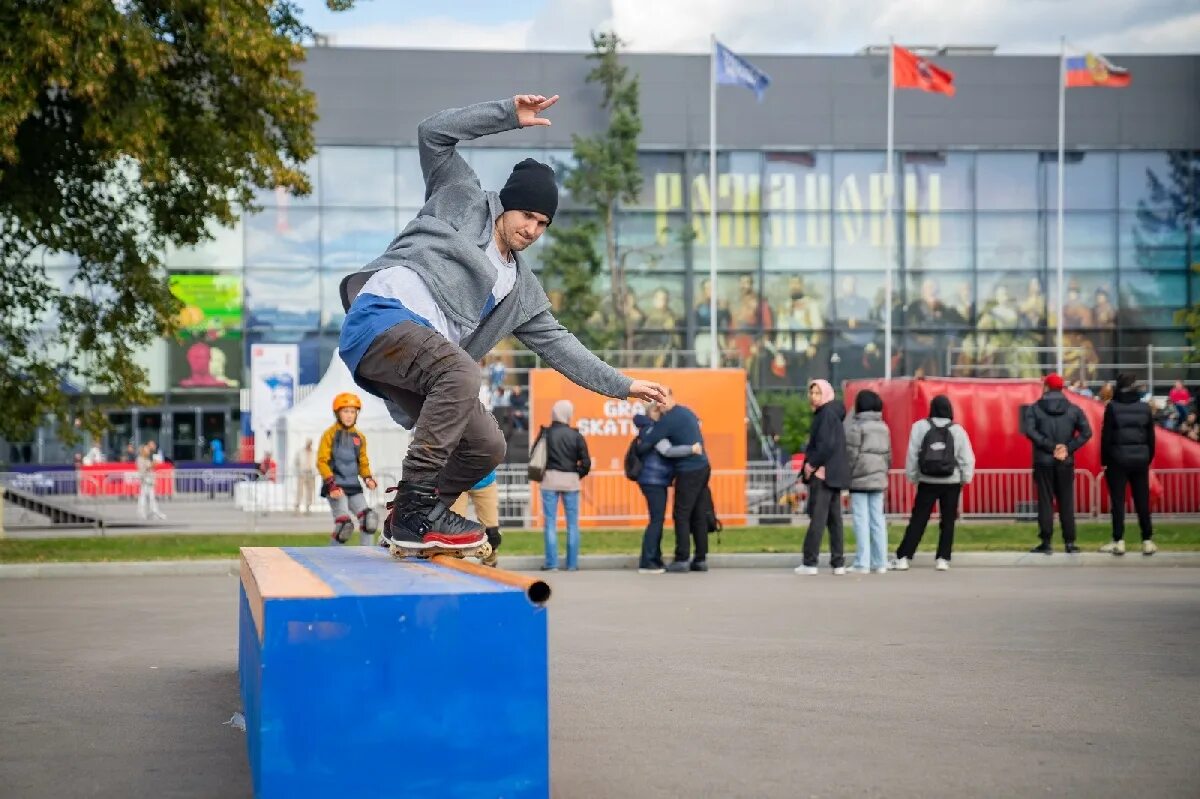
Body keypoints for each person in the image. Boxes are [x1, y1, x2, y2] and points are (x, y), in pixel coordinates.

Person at [337, 93, 666, 554]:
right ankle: (413, 512)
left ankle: (416, 519)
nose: (532, 230)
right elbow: (433, 133)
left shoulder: (520, 290)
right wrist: (507, 116)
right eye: (527, 216)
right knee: (462, 372)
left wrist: (624, 385)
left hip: (419, 356)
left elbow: (560, 345)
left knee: (486, 445)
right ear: (506, 205)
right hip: (381, 318)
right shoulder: (460, 197)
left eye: (543, 223)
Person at [892, 395, 975, 571]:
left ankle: (904, 557)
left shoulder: (919, 427)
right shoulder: (957, 430)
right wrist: (965, 478)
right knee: (948, 521)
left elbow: (912, 455)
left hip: (927, 480)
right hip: (951, 481)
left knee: (918, 520)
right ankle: (943, 558)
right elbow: (966, 458)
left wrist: (913, 477)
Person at [635, 388, 711, 572]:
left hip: (688, 470)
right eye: (656, 401)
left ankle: (682, 558)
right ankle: (700, 559)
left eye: (661, 400)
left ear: (670, 398)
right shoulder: (687, 412)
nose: (659, 405)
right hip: (703, 467)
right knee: (699, 514)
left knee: (681, 514)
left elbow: (649, 439)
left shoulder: (667, 421)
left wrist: (644, 427)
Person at [1022, 373, 1093, 555]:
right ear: (1062, 388)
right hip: (1065, 462)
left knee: (1045, 502)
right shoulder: (1073, 409)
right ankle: (1069, 542)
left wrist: (1050, 446)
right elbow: (1087, 432)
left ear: (1046, 387)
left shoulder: (1035, 409)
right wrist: (1067, 448)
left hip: (1043, 461)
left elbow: (1029, 430)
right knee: (1066, 501)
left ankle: (1046, 542)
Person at [795, 379, 849, 576]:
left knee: (818, 519)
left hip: (822, 474)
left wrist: (810, 465)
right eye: (811, 393)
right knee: (835, 521)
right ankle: (838, 562)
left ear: (825, 394)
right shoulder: (833, 414)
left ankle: (810, 562)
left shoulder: (825, 415)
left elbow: (824, 445)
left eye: (817, 393)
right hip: (833, 474)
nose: (813, 397)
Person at [1099, 374, 1157, 556]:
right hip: (1140, 460)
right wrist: (1146, 458)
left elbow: (1106, 438)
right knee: (1142, 501)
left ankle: (1119, 540)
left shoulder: (1112, 408)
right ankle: (1147, 540)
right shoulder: (1144, 408)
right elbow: (1151, 438)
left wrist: (1104, 462)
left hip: (1117, 460)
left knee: (1118, 502)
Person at [317, 393, 379, 545]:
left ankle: (367, 555)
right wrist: (330, 483)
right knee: (344, 525)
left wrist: (367, 478)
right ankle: (332, 556)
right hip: (336, 486)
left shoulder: (359, 437)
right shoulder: (330, 434)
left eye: (353, 412)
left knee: (368, 520)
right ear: (337, 413)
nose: (349, 415)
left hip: (353, 485)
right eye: (345, 411)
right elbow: (322, 461)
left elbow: (363, 461)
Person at [537, 400, 590, 571]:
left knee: (550, 523)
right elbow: (586, 462)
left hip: (549, 481)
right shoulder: (576, 435)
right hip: (571, 483)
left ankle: (552, 564)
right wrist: (576, 474)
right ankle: (572, 564)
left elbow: (535, 457)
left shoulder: (546, 433)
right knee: (572, 524)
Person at [844, 389, 891, 574]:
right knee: (878, 520)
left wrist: (848, 475)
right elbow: (889, 455)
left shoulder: (856, 427)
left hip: (859, 480)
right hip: (878, 478)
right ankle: (881, 562)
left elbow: (851, 454)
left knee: (861, 521)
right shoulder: (884, 427)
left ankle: (862, 563)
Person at [449, 469, 502, 566]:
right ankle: (453, 566)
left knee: (492, 535)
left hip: (485, 481)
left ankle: (490, 561)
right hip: (456, 481)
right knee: (453, 531)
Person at [136, 442, 166, 521]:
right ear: (143, 451)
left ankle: (154, 512)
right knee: (143, 497)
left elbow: (149, 468)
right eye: (146, 450)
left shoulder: (147, 459)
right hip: (145, 481)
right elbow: (143, 469)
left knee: (151, 497)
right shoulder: (140, 459)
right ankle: (143, 512)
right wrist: (152, 465)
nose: (148, 451)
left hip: (149, 480)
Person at [294, 438, 316, 515]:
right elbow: (296, 462)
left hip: (311, 473)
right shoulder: (300, 452)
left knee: (310, 491)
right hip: (302, 473)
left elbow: (316, 463)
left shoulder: (314, 453)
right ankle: (297, 506)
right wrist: (298, 471)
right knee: (300, 490)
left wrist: (315, 471)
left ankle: (308, 506)